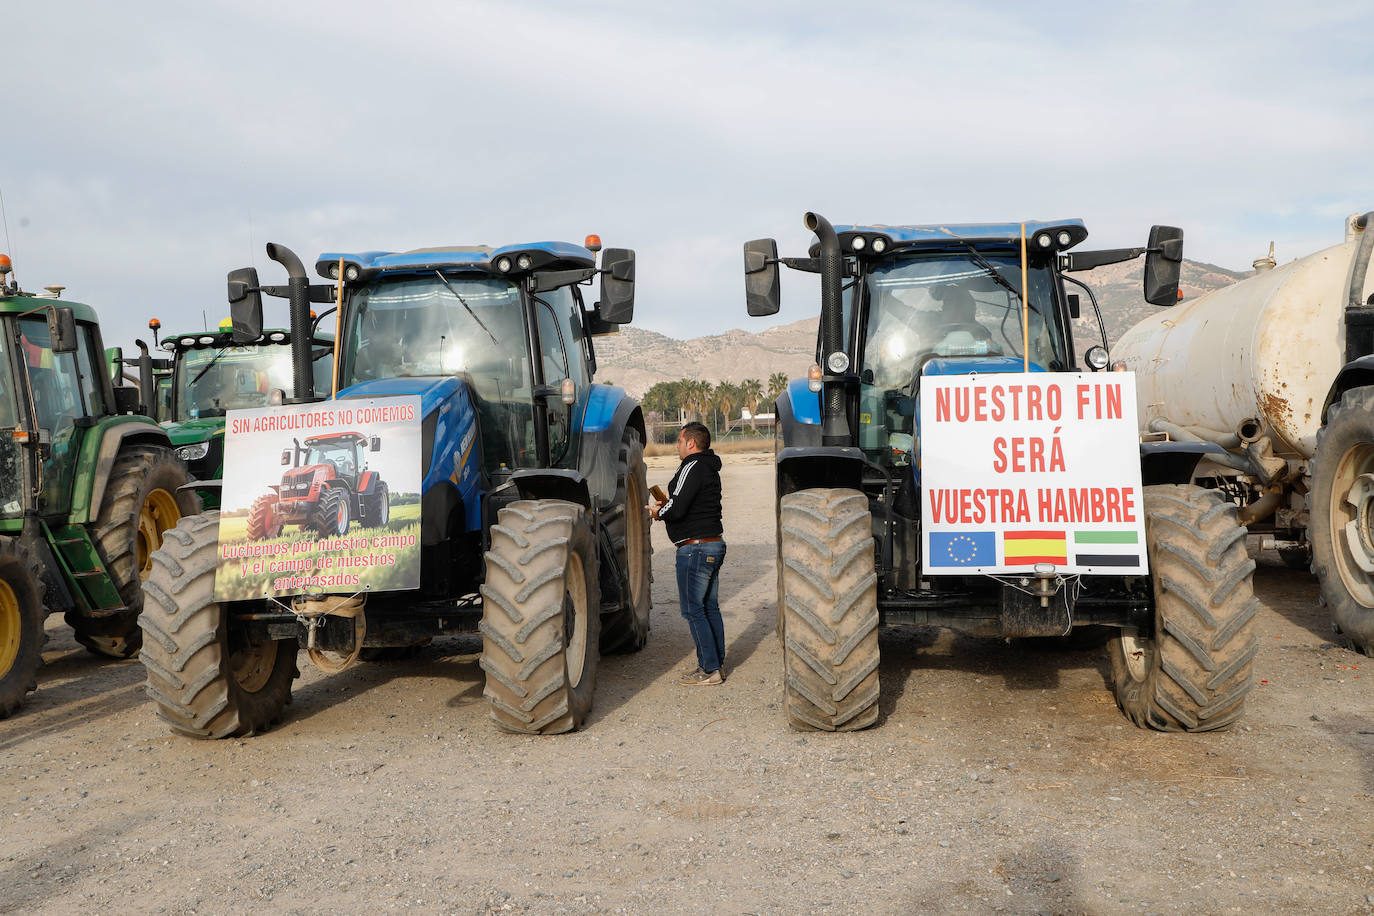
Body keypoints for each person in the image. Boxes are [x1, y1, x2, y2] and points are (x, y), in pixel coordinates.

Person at [647, 421, 726, 687]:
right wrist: (669, 507)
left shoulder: (691, 466)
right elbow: (688, 504)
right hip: (713, 543)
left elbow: (677, 508)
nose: (676, 446)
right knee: (709, 607)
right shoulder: (709, 468)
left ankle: (710, 669)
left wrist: (660, 512)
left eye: (679, 442)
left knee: (693, 610)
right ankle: (716, 664)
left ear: (690, 443)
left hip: (695, 548)